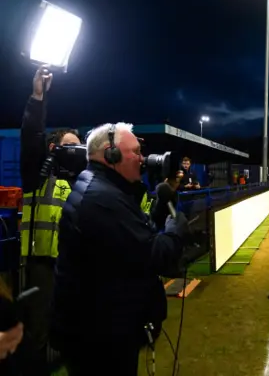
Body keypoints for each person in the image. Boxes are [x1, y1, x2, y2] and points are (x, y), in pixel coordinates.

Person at [50, 122, 189, 376]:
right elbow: (152, 255)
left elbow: (128, 242)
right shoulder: (102, 199)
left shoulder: (104, 189)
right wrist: (176, 231)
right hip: (99, 340)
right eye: (135, 152)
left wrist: (158, 213)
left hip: (101, 330)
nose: (143, 159)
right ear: (110, 154)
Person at [19, 65, 82, 374]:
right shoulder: (36, 175)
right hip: (41, 264)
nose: (75, 152)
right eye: (69, 146)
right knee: (39, 329)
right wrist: (38, 97)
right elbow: (32, 137)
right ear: (54, 149)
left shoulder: (81, 180)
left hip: (71, 266)